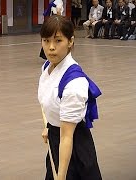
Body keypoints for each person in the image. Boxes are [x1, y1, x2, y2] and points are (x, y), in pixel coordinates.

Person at [38, 15, 102, 180]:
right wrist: (49, 125)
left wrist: (61, 177)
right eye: (46, 41)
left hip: (73, 147)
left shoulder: (74, 84)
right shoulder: (47, 68)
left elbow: (67, 136)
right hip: (55, 140)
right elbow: (46, 102)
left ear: (70, 41)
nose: (51, 47)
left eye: (58, 41)